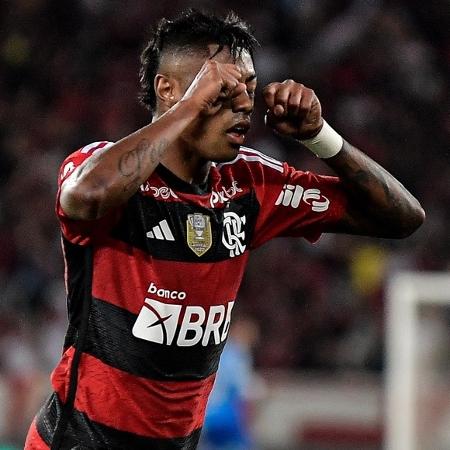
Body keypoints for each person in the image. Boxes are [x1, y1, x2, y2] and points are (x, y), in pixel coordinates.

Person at [24, 8, 424, 450]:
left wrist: (320, 137)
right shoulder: (103, 168)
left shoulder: (249, 183)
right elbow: (84, 197)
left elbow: (403, 218)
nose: (242, 106)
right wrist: (192, 105)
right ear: (168, 89)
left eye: (248, 90)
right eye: (222, 90)